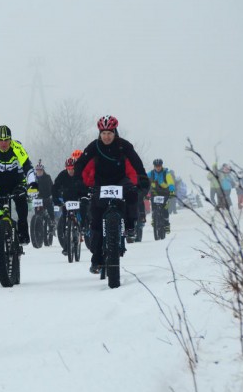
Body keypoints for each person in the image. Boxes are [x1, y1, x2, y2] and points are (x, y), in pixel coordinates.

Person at [73, 115, 147, 274]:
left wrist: (142, 178)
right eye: (103, 133)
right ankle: (96, 259)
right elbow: (80, 164)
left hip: (120, 181)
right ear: (99, 133)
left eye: (110, 133)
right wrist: (78, 181)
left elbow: (136, 162)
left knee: (132, 193)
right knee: (97, 221)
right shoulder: (94, 146)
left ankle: (130, 225)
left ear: (115, 132)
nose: (106, 137)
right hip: (101, 184)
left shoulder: (124, 146)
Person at [0, 125, 38, 273]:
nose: (3, 143)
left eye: (6, 140)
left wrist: (33, 184)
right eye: (0, 140)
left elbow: (28, 167)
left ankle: (22, 230)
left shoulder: (17, 148)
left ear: (10, 140)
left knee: (21, 205)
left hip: (17, 183)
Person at [52, 157, 89, 254]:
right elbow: (55, 187)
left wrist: (86, 195)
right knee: (64, 221)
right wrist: (56, 199)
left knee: (84, 208)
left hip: (79, 198)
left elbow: (87, 184)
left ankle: (84, 226)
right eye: (68, 169)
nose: (70, 171)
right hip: (67, 200)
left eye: (72, 168)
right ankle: (66, 246)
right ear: (66, 168)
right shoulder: (62, 175)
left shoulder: (80, 174)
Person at [147, 158, 175, 233]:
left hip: (165, 193)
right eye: (156, 166)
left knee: (165, 209)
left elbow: (170, 182)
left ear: (161, 166)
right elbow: (145, 180)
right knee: (153, 207)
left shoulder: (166, 173)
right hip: (155, 193)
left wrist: (172, 191)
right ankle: (154, 218)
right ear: (154, 166)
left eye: (159, 166)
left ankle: (166, 225)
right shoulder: (151, 173)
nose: (158, 167)